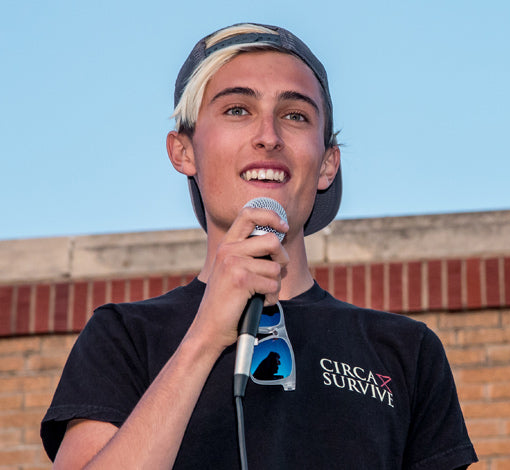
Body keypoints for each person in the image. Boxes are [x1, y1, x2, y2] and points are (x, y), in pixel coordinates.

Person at [40, 22, 478, 469]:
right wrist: (204, 338)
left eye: (295, 115)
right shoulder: (124, 335)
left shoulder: (404, 350)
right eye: (236, 110)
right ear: (183, 151)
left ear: (328, 164)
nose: (268, 135)